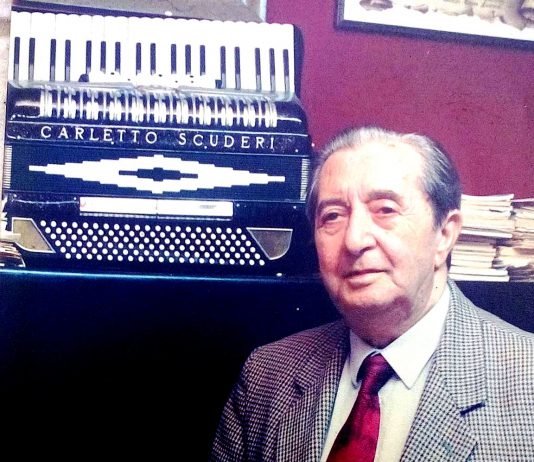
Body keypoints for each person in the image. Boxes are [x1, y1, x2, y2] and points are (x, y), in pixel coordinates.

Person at [210, 126, 534, 461]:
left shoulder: (528, 379)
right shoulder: (266, 376)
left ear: (444, 234)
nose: (354, 240)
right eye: (332, 216)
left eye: (385, 210)